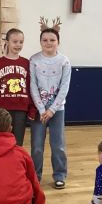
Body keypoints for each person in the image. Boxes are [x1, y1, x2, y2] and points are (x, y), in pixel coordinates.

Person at [30, 19, 71, 189]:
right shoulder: (34, 60)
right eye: (45, 40)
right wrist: (41, 109)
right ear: (40, 42)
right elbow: (32, 85)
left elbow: (64, 87)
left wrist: (52, 109)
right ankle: (35, 176)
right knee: (37, 146)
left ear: (58, 42)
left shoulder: (64, 61)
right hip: (39, 111)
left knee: (58, 145)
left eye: (52, 40)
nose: (48, 43)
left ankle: (59, 175)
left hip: (57, 110)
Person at [0, 28, 36, 146]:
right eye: (15, 41)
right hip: (2, 110)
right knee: (2, 142)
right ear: (7, 42)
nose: (18, 45)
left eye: (21, 42)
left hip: (21, 109)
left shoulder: (26, 63)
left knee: (17, 143)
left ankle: (16, 159)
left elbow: (30, 86)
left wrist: (32, 108)